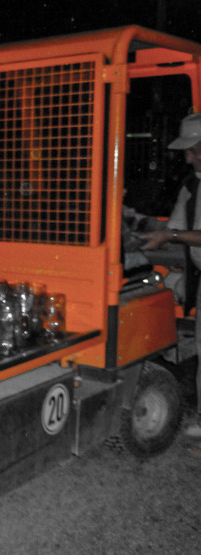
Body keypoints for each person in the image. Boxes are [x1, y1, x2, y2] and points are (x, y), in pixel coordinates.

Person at [139, 111, 201, 438]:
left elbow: (179, 236)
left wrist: (170, 237)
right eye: (188, 150)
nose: (189, 157)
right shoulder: (191, 186)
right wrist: (138, 224)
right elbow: (172, 229)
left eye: (195, 149)